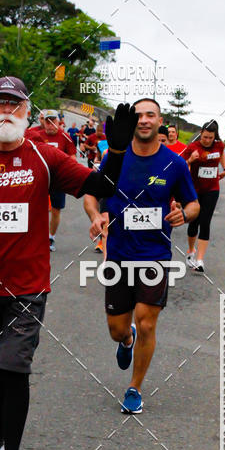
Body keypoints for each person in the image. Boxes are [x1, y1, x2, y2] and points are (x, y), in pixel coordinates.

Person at [0, 76, 136, 450]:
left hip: (27, 288)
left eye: (14, 104)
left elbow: (102, 187)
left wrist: (117, 153)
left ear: (27, 111)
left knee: (14, 369)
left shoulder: (45, 157)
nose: (6, 111)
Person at [83, 98, 199, 414]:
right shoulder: (114, 157)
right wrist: (95, 215)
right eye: (139, 115)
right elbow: (91, 194)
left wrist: (184, 215)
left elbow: (193, 204)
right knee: (117, 329)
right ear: (131, 122)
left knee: (147, 323)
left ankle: (134, 388)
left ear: (160, 121)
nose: (145, 120)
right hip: (119, 256)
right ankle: (126, 340)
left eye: (151, 115)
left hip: (155, 255)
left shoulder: (174, 164)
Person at [26, 109, 77, 251]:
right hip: (40, 179)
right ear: (43, 122)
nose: (50, 124)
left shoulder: (65, 137)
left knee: (56, 209)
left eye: (53, 121)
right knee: (34, 208)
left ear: (58, 122)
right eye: (47, 121)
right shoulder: (37, 136)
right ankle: (34, 236)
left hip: (57, 180)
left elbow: (73, 158)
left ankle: (51, 237)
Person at [183, 119, 225, 273]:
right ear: (200, 134)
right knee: (194, 222)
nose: (207, 140)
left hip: (212, 189)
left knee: (205, 222)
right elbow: (181, 165)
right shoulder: (193, 147)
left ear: (215, 136)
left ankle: (200, 260)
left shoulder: (219, 145)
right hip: (195, 190)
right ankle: (191, 250)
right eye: (205, 137)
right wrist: (190, 160)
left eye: (210, 138)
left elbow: (221, 154)